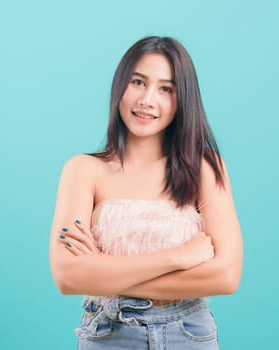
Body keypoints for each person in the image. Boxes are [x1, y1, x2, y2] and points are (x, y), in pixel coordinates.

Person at [49, 36, 243, 349]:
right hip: (109, 334)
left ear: (183, 99)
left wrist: (104, 272)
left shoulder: (204, 166)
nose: (147, 100)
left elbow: (226, 276)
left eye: (166, 88)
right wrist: (178, 257)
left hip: (188, 335)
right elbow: (69, 277)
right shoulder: (83, 170)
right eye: (138, 82)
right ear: (119, 86)